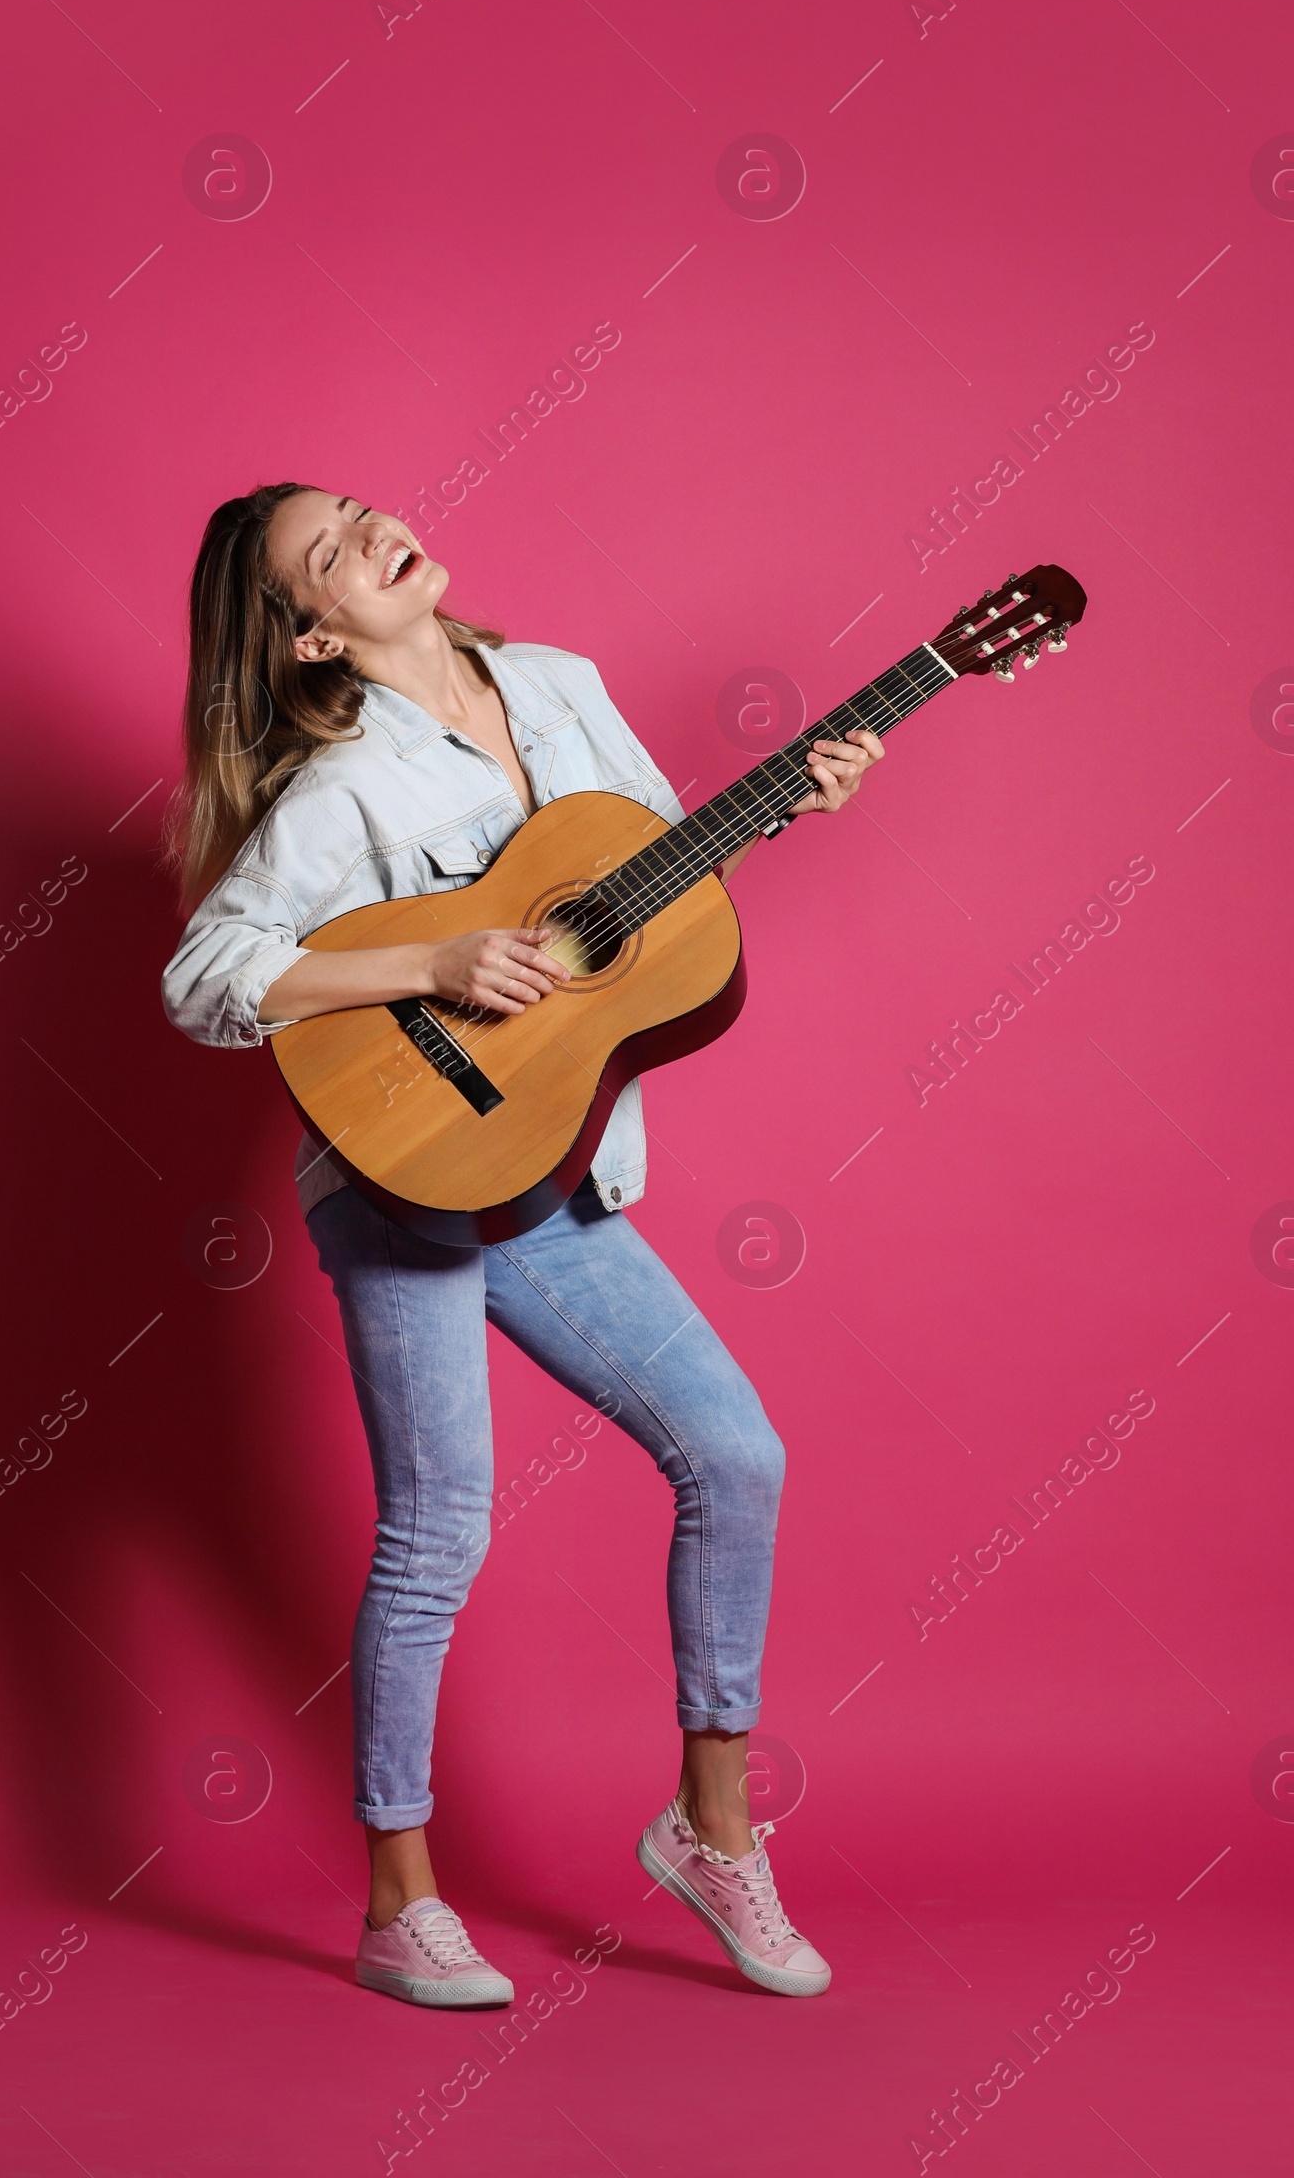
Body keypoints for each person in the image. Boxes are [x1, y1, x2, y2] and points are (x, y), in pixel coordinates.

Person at [161, 484, 885, 2008]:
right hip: (399, 1180)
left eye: (360, 509)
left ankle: (711, 1828)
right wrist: (433, 953)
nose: (373, 534)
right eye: (330, 552)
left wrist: (783, 804)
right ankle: (399, 1903)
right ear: (311, 632)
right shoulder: (337, 785)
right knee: (440, 1535)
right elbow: (205, 977)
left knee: (736, 1455)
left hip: (548, 1171)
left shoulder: (561, 687)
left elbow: (641, 904)